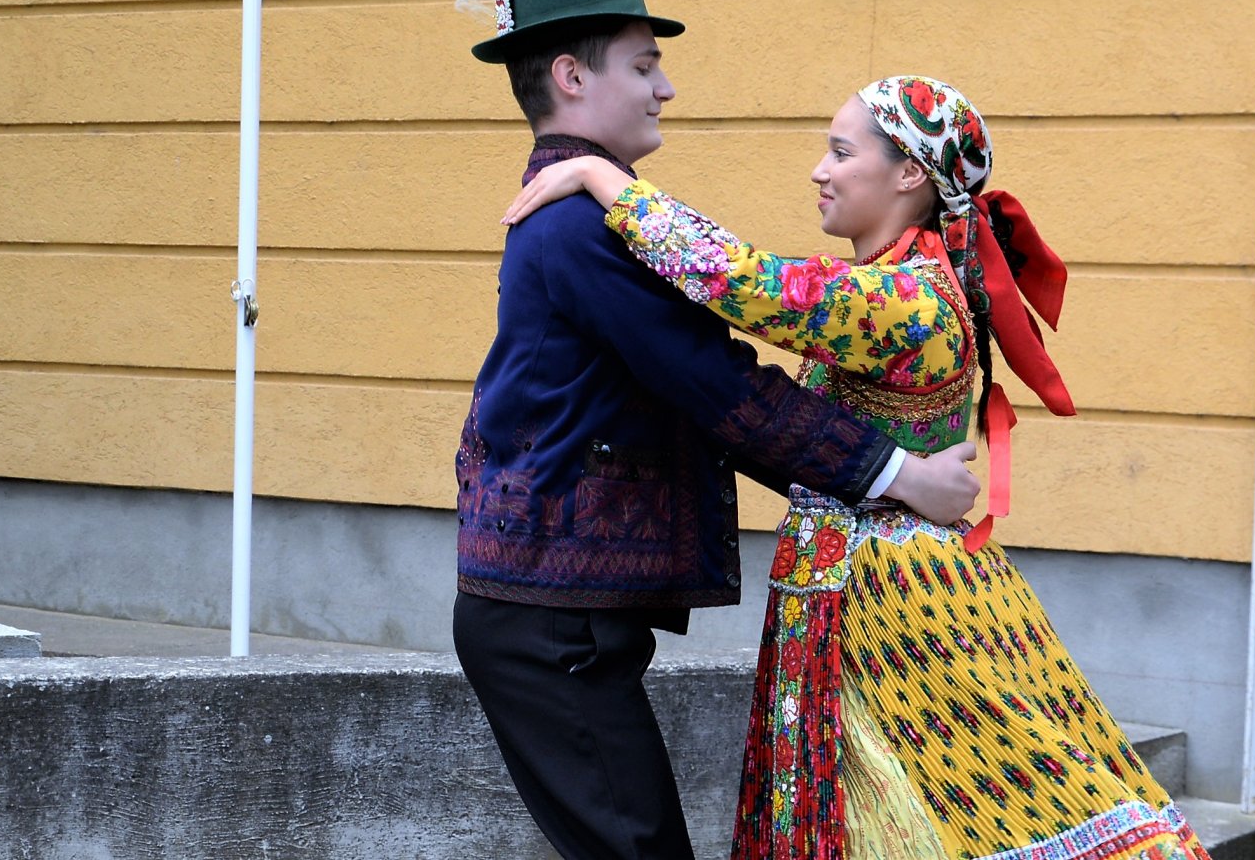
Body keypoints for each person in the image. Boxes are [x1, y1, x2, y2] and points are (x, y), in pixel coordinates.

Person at [440, 0, 982, 860]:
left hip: (552, 607)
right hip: (549, 618)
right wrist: (901, 473)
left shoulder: (586, 208)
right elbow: (720, 385)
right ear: (571, 75)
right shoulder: (582, 224)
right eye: (646, 65)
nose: (666, 88)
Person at [504, 76, 1210, 860]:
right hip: (859, 587)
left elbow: (743, 280)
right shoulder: (900, 283)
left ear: (909, 173)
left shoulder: (909, 299)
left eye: (841, 152)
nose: (820, 169)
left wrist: (600, 177)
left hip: (895, 602)